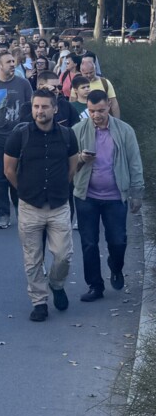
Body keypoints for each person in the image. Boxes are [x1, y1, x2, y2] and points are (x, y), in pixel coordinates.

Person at [3, 89, 79, 322]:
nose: (40, 111)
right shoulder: (20, 135)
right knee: (32, 258)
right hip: (30, 206)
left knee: (63, 255)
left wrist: (59, 188)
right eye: (36, 107)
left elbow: (72, 166)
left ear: (54, 109)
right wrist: (25, 191)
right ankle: (39, 302)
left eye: (45, 106)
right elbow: (8, 169)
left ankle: (56, 284)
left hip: (58, 205)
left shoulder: (67, 135)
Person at [72, 90, 144, 302]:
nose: (96, 115)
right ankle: (95, 285)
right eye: (92, 111)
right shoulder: (77, 130)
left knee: (118, 240)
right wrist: (81, 158)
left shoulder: (124, 131)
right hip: (86, 196)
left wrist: (137, 192)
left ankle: (116, 265)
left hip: (115, 196)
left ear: (109, 107)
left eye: (101, 110)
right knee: (89, 242)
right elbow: (67, 163)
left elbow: (134, 162)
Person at [0, 49, 35, 229]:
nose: (13, 64)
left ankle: (22, 213)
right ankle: (3, 215)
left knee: (19, 175)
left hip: (19, 137)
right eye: (9, 62)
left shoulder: (23, 83)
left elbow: (30, 107)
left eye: (13, 61)